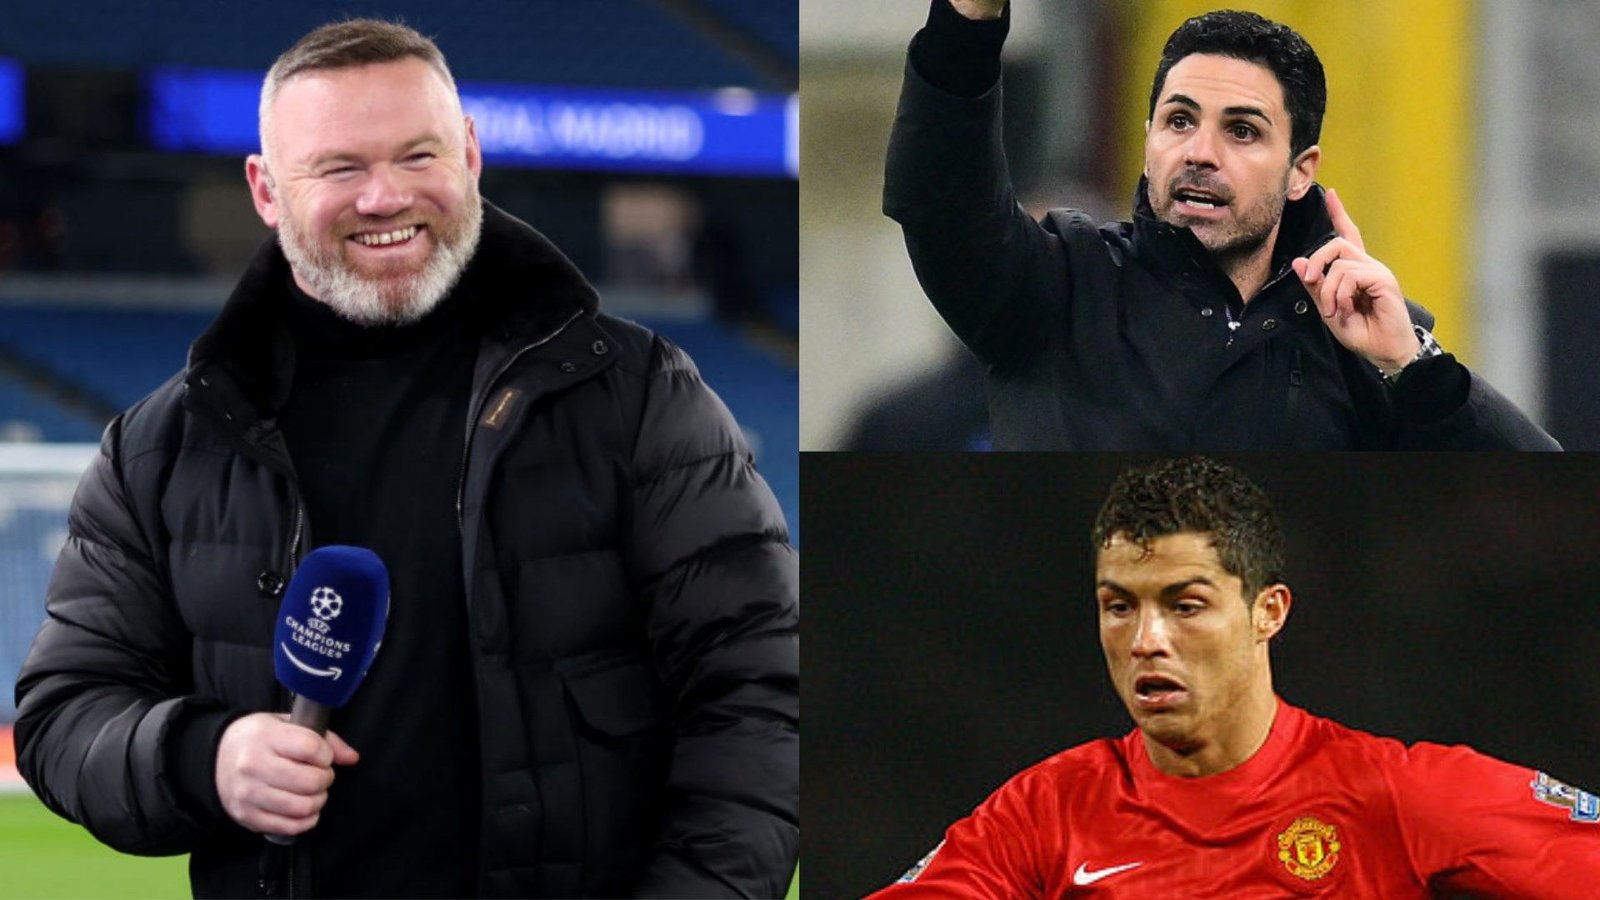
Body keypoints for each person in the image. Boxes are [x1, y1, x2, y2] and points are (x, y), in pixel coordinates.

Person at [13, 19, 798, 899]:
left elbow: (762, 693)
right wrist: (207, 755)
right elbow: (64, 715)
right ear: (266, 190)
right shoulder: (159, 450)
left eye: (417, 156)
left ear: (469, 152)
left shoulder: (642, 397)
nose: (385, 197)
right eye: (340, 168)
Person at [867, 456, 1599, 897]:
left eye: (1185, 605)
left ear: (1267, 611)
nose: (1147, 640)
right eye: (1119, 607)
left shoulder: (1399, 796)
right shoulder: (1046, 812)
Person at [884, 0, 1560, 450]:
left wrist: (1414, 365)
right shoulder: (1056, 286)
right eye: (1179, 121)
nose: (1200, 152)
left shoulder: (1358, 334)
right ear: (1148, 139)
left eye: (1242, 130)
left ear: (1301, 170)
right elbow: (942, 200)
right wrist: (967, 22)